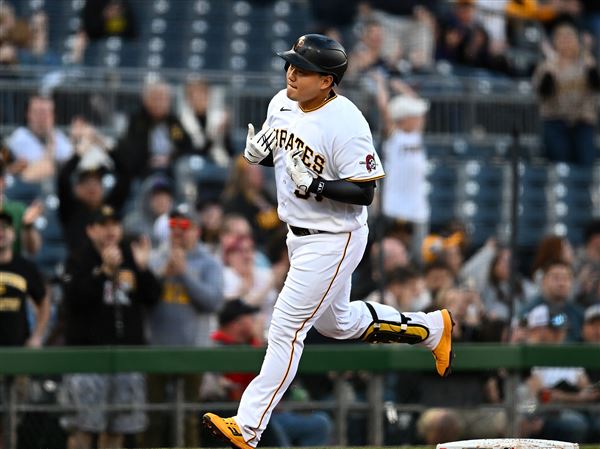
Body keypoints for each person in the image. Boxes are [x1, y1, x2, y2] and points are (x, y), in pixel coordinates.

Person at [202, 33, 454, 449]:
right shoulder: (280, 102)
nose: (291, 73)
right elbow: (279, 152)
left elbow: (366, 191)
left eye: (303, 69)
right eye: (290, 64)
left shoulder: (348, 121)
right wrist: (257, 156)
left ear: (328, 81)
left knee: (285, 327)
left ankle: (247, 428)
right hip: (297, 235)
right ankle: (431, 328)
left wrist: (319, 184)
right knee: (338, 324)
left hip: (335, 237)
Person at [61, 205, 160, 449]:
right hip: (87, 360)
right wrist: (103, 272)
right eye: (103, 225)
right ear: (91, 230)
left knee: (117, 431)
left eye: (115, 225)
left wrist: (144, 269)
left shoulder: (131, 256)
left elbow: (153, 297)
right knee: (83, 430)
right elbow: (73, 300)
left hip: (127, 359)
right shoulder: (78, 258)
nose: (110, 231)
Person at [144, 208, 223, 447]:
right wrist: (160, 276)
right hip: (156, 350)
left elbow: (213, 302)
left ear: (196, 231)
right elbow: (144, 300)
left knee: (189, 418)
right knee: (153, 418)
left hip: (193, 352)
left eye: (184, 229)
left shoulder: (208, 263)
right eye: (174, 229)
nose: (178, 234)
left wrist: (184, 275)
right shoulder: (156, 259)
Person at [6, 96, 73, 183]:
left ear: (53, 115)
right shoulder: (20, 136)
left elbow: (68, 160)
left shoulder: (59, 136)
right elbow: (43, 168)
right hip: (28, 188)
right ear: (28, 114)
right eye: (38, 112)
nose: (43, 117)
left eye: (47, 112)